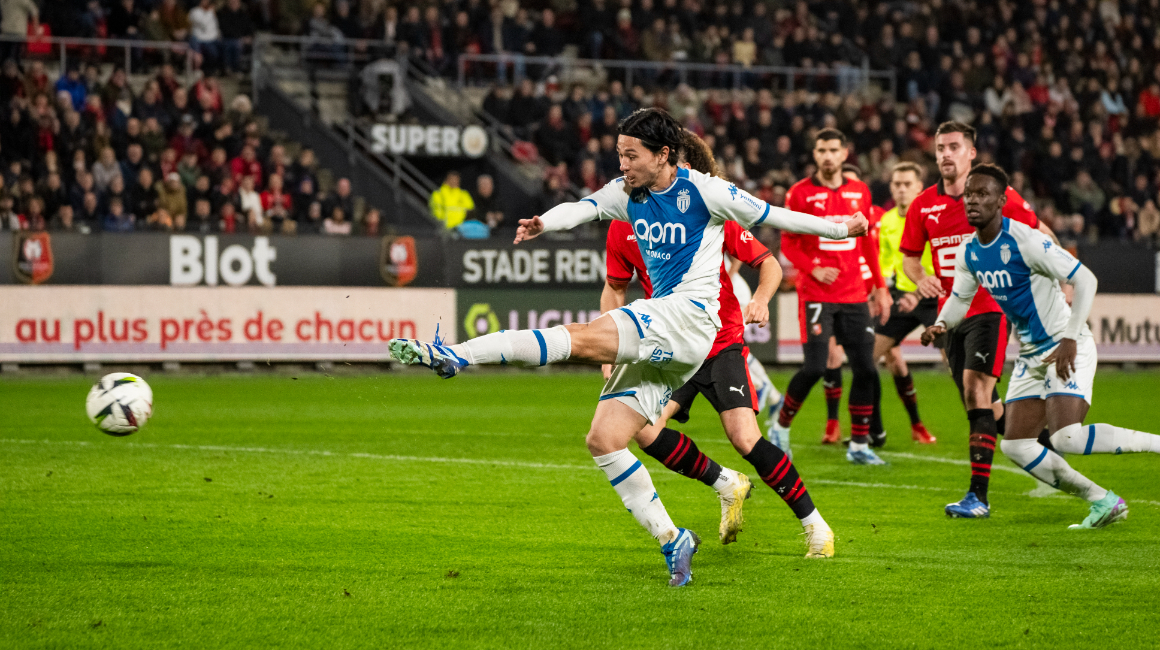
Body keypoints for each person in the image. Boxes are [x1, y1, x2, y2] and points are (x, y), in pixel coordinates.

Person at [388, 108, 865, 587]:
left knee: (583, 341)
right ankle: (673, 538)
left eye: (631, 155)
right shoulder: (626, 196)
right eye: (619, 154)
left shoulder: (706, 191)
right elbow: (582, 208)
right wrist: (543, 224)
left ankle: (457, 355)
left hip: (695, 322)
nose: (622, 164)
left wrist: (842, 229)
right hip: (666, 333)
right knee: (605, 438)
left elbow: (775, 216)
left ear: (663, 155)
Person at [601, 129, 834, 556]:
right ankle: (725, 482)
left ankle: (815, 525)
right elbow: (615, 288)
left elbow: (768, 263)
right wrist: (610, 345)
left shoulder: (707, 213)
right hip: (670, 345)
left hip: (719, 340)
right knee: (645, 432)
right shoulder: (622, 225)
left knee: (744, 438)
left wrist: (760, 299)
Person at [921, 164, 1160, 528]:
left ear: (1001, 201)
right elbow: (960, 298)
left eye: (982, 194)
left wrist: (1070, 338)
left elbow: (1086, 279)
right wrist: (941, 323)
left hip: (1067, 344)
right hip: (1032, 355)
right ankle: (1103, 501)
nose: (972, 200)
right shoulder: (970, 249)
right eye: (969, 194)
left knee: (1067, 437)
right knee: (1015, 445)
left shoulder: (1026, 241)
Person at [901, 122, 1051, 518]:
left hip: (989, 307)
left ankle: (978, 498)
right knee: (987, 405)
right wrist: (921, 278)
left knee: (975, 390)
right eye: (940, 148)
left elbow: (1040, 232)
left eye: (954, 147)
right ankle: (1049, 449)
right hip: (950, 317)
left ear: (971, 153)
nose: (945, 154)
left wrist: (1061, 278)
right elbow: (910, 257)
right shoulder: (923, 205)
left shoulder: (998, 196)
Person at [768, 129, 892, 465]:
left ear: (844, 153)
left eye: (833, 150)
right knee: (815, 367)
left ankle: (860, 445)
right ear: (815, 154)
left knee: (866, 369)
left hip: (854, 294)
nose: (827, 156)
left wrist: (880, 287)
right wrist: (814, 269)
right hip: (817, 294)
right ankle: (780, 427)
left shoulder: (860, 191)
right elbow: (789, 242)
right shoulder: (800, 193)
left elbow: (868, 243)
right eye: (821, 150)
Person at [870, 162, 938, 444]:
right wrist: (879, 294)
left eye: (907, 184)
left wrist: (918, 294)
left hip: (935, 297)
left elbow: (943, 264)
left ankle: (984, 428)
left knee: (959, 367)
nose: (901, 189)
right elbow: (886, 265)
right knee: (867, 359)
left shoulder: (931, 217)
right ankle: (873, 432)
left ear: (919, 187)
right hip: (902, 297)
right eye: (896, 184)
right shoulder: (886, 221)